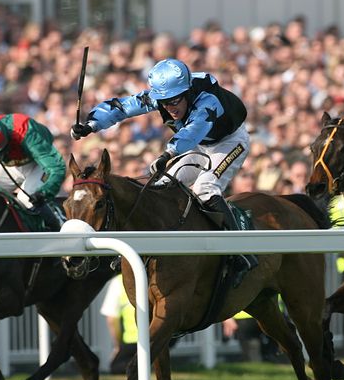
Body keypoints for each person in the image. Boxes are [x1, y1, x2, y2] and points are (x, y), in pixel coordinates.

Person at [71, 58, 257, 281]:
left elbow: (192, 132)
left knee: (205, 188)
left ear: (187, 92)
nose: (170, 108)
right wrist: (90, 125)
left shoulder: (209, 100)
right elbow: (122, 107)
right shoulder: (163, 96)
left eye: (175, 101)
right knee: (160, 186)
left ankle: (241, 254)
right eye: (164, 102)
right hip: (200, 144)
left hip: (230, 142)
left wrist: (167, 154)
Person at [100, 275, 137, 375]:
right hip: (161, 337)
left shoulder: (118, 281)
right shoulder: (155, 276)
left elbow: (111, 320)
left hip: (133, 340)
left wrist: (117, 346)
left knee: (116, 367)